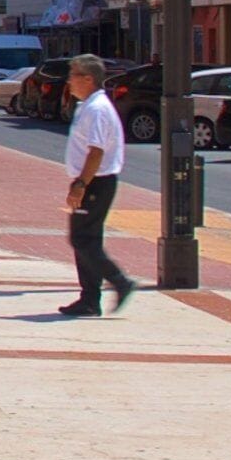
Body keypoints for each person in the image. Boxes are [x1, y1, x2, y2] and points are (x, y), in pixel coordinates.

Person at [61, 55, 136, 317]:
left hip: (96, 182)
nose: (69, 81)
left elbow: (96, 152)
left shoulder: (97, 109)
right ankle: (90, 299)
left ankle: (120, 282)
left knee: (82, 239)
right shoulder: (88, 105)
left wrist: (81, 184)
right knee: (87, 239)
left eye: (73, 75)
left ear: (88, 79)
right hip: (92, 181)